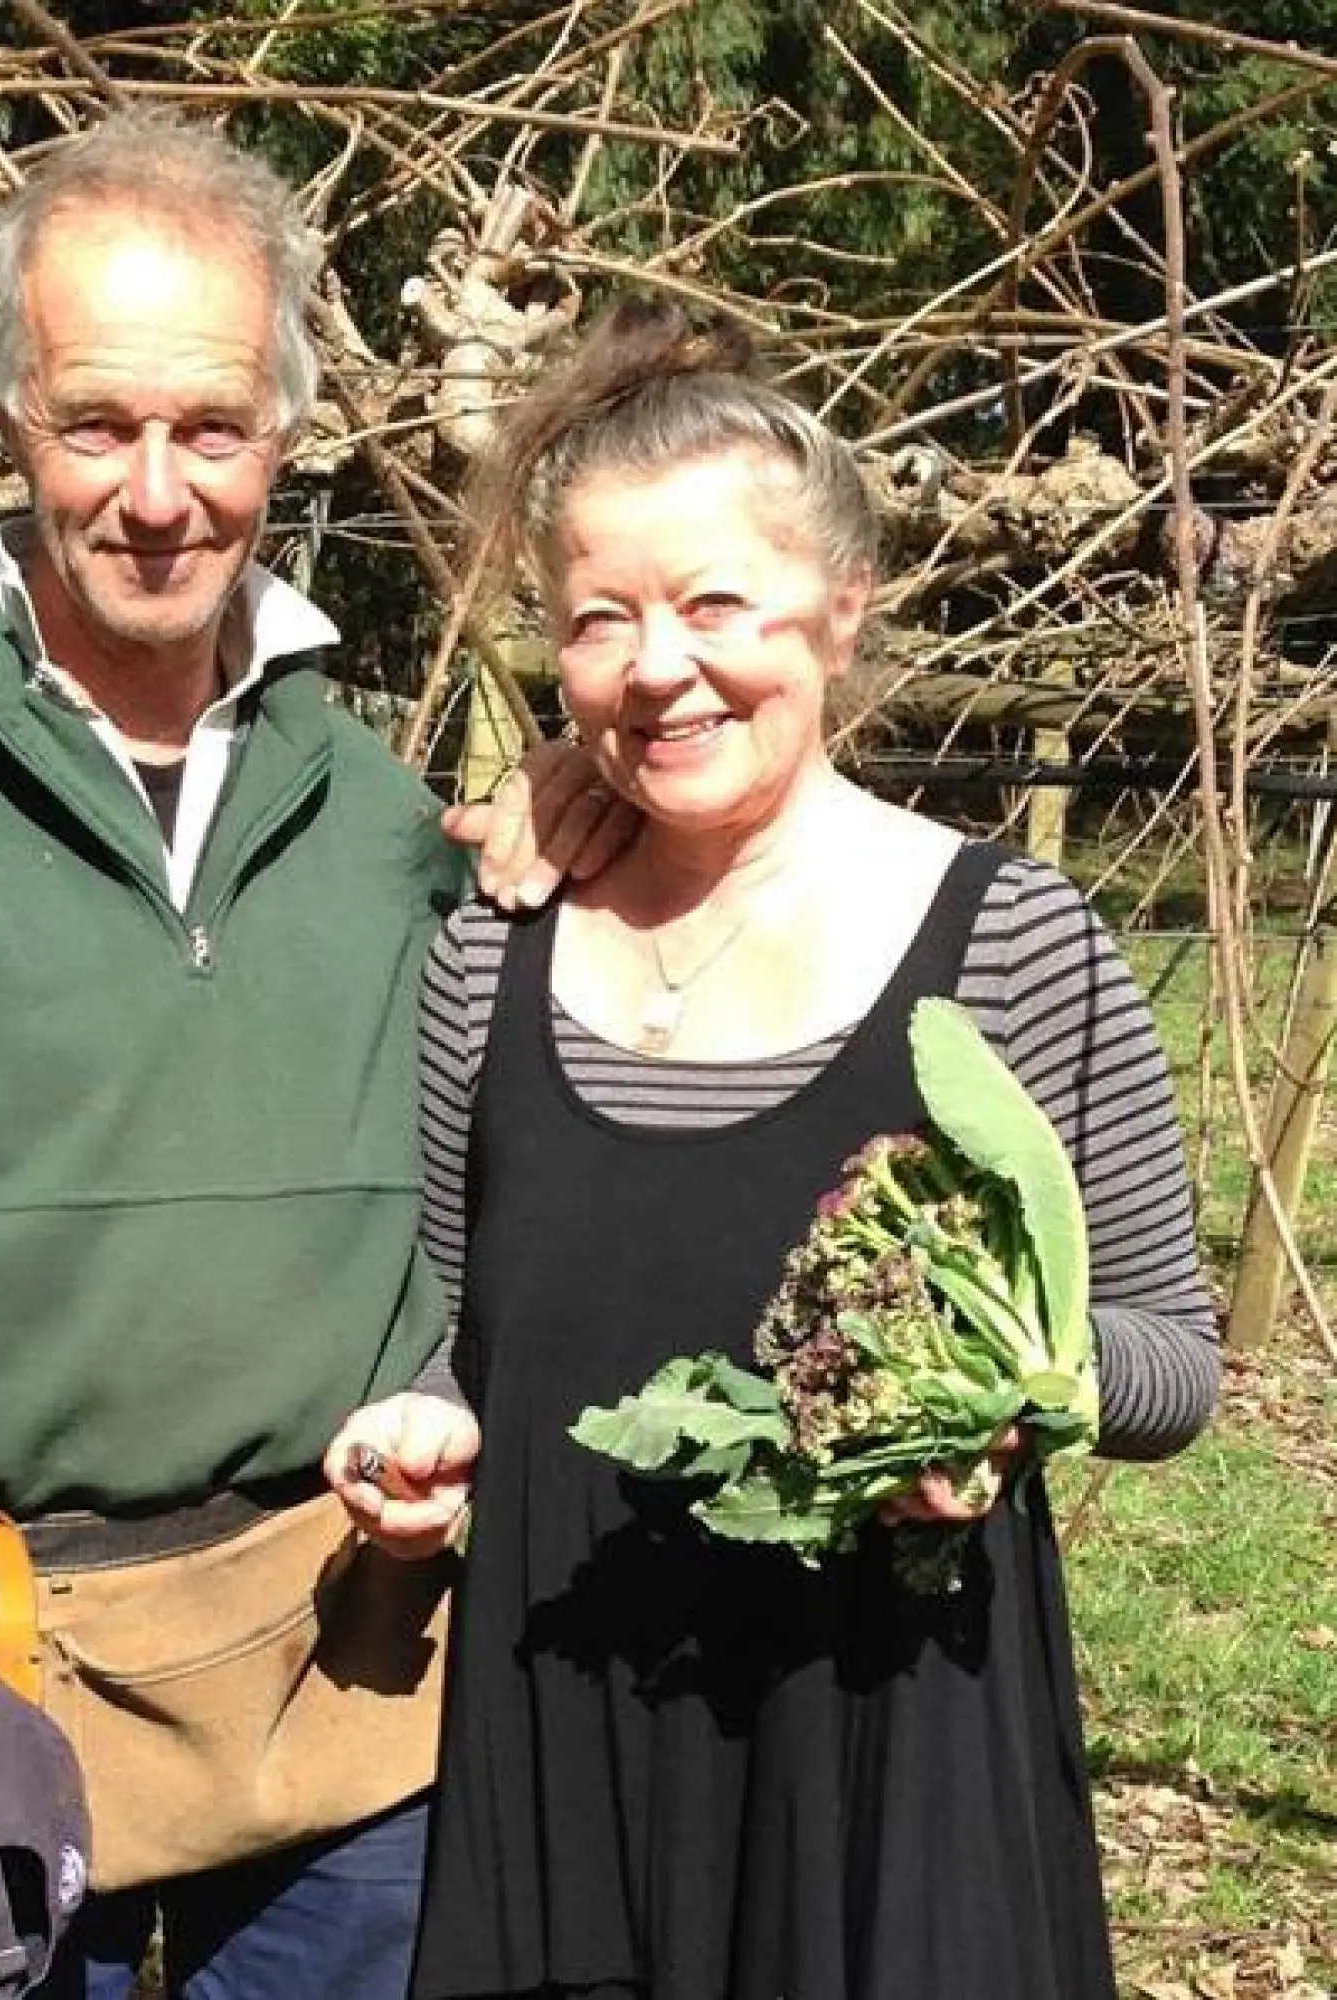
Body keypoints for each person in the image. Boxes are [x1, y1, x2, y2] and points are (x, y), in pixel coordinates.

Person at [0, 111, 614, 2000]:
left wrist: (598, 809)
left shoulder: (399, 832)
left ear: (287, 431)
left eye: (212, 428)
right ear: (5, 418)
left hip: (347, 1678)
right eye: (96, 425)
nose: (157, 493)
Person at [326, 300, 1222, 2000]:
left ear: (838, 607)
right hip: (560, 1764)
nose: (658, 666)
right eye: (600, 621)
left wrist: (1000, 1398)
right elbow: (459, 1334)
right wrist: (421, 1425)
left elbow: (1173, 1365)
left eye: (713, 603)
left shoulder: (1009, 943)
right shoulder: (490, 948)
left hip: (884, 1770)